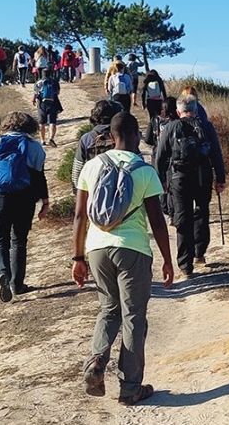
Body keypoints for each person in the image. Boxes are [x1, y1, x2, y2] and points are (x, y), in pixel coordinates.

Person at [72, 112, 173, 405]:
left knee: (108, 309)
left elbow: (79, 215)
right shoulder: (143, 170)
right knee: (133, 317)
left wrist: (77, 256)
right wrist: (167, 259)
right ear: (134, 134)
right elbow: (157, 220)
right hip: (133, 250)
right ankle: (130, 387)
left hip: (96, 248)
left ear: (112, 135)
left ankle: (95, 362)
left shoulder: (91, 166)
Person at [0, 111, 49, 302]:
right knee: (19, 240)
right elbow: (39, 178)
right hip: (25, 198)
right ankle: (17, 284)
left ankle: (3, 273)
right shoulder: (35, 147)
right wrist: (45, 202)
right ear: (30, 126)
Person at [155, 95, 225, 277]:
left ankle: (185, 265)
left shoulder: (170, 127)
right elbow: (216, 153)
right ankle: (199, 253)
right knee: (202, 212)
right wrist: (220, 178)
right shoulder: (206, 126)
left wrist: (160, 181)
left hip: (179, 177)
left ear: (178, 112)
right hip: (203, 175)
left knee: (182, 217)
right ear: (196, 109)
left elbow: (160, 157)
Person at [71, 100, 123, 191]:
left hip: (94, 190)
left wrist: (79, 193)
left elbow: (77, 171)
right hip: (121, 188)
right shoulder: (123, 137)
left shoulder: (86, 139)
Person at [33, 69, 61, 146]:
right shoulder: (54, 82)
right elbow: (58, 92)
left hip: (41, 104)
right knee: (52, 122)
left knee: (41, 123)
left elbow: (35, 93)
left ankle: (42, 140)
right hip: (53, 103)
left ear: (42, 74)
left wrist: (33, 100)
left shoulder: (38, 82)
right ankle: (51, 138)